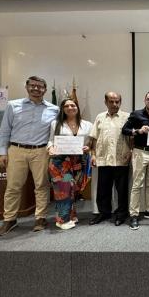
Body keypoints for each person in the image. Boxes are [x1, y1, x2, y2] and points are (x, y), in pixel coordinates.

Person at [0, 76, 59, 236]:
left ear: (45, 89)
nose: (36, 89)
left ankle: (41, 218)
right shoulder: (13, 105)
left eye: (40, 86)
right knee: (13, 187)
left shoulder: (54, 109)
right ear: (27, 87)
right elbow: (4, 131)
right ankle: (9, 219)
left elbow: (55, 133)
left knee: (42, 186)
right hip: (17, 150)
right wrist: (2, 152)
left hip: (41, 151)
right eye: (33, 85)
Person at [122, 91, 149, 230]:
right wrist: (138, 131)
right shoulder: (136, 114)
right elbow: (125, 130)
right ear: (145, 100)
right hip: (140, 152)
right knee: (137, 184)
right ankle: (134, 215)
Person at [47, 98, 92, 230]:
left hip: (78, 161)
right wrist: (50, 148)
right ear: (63, 109)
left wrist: (88, 148)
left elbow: (90, 142)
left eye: (73, 105)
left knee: (73, 189)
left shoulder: (87, 124)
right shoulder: (56, 124)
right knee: (63, 189)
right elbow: (50, 141)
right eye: (66, 106)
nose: (70, 107)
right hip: (60, 161)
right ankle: (62, 220)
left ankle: (71, 215)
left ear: (77, 107)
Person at [88, 92, 131, 226]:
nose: (114, 104)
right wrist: (93, 155)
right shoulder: (100, 117)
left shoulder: (127, 117)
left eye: (117, 101)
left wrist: (131, 151)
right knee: (103, 189)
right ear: (106, 102)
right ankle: (103, 213)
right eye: (111, 101)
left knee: (122, 190)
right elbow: (94, 137)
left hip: (121, 159)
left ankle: (121, 214)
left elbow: (132, 138)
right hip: (103, 158)